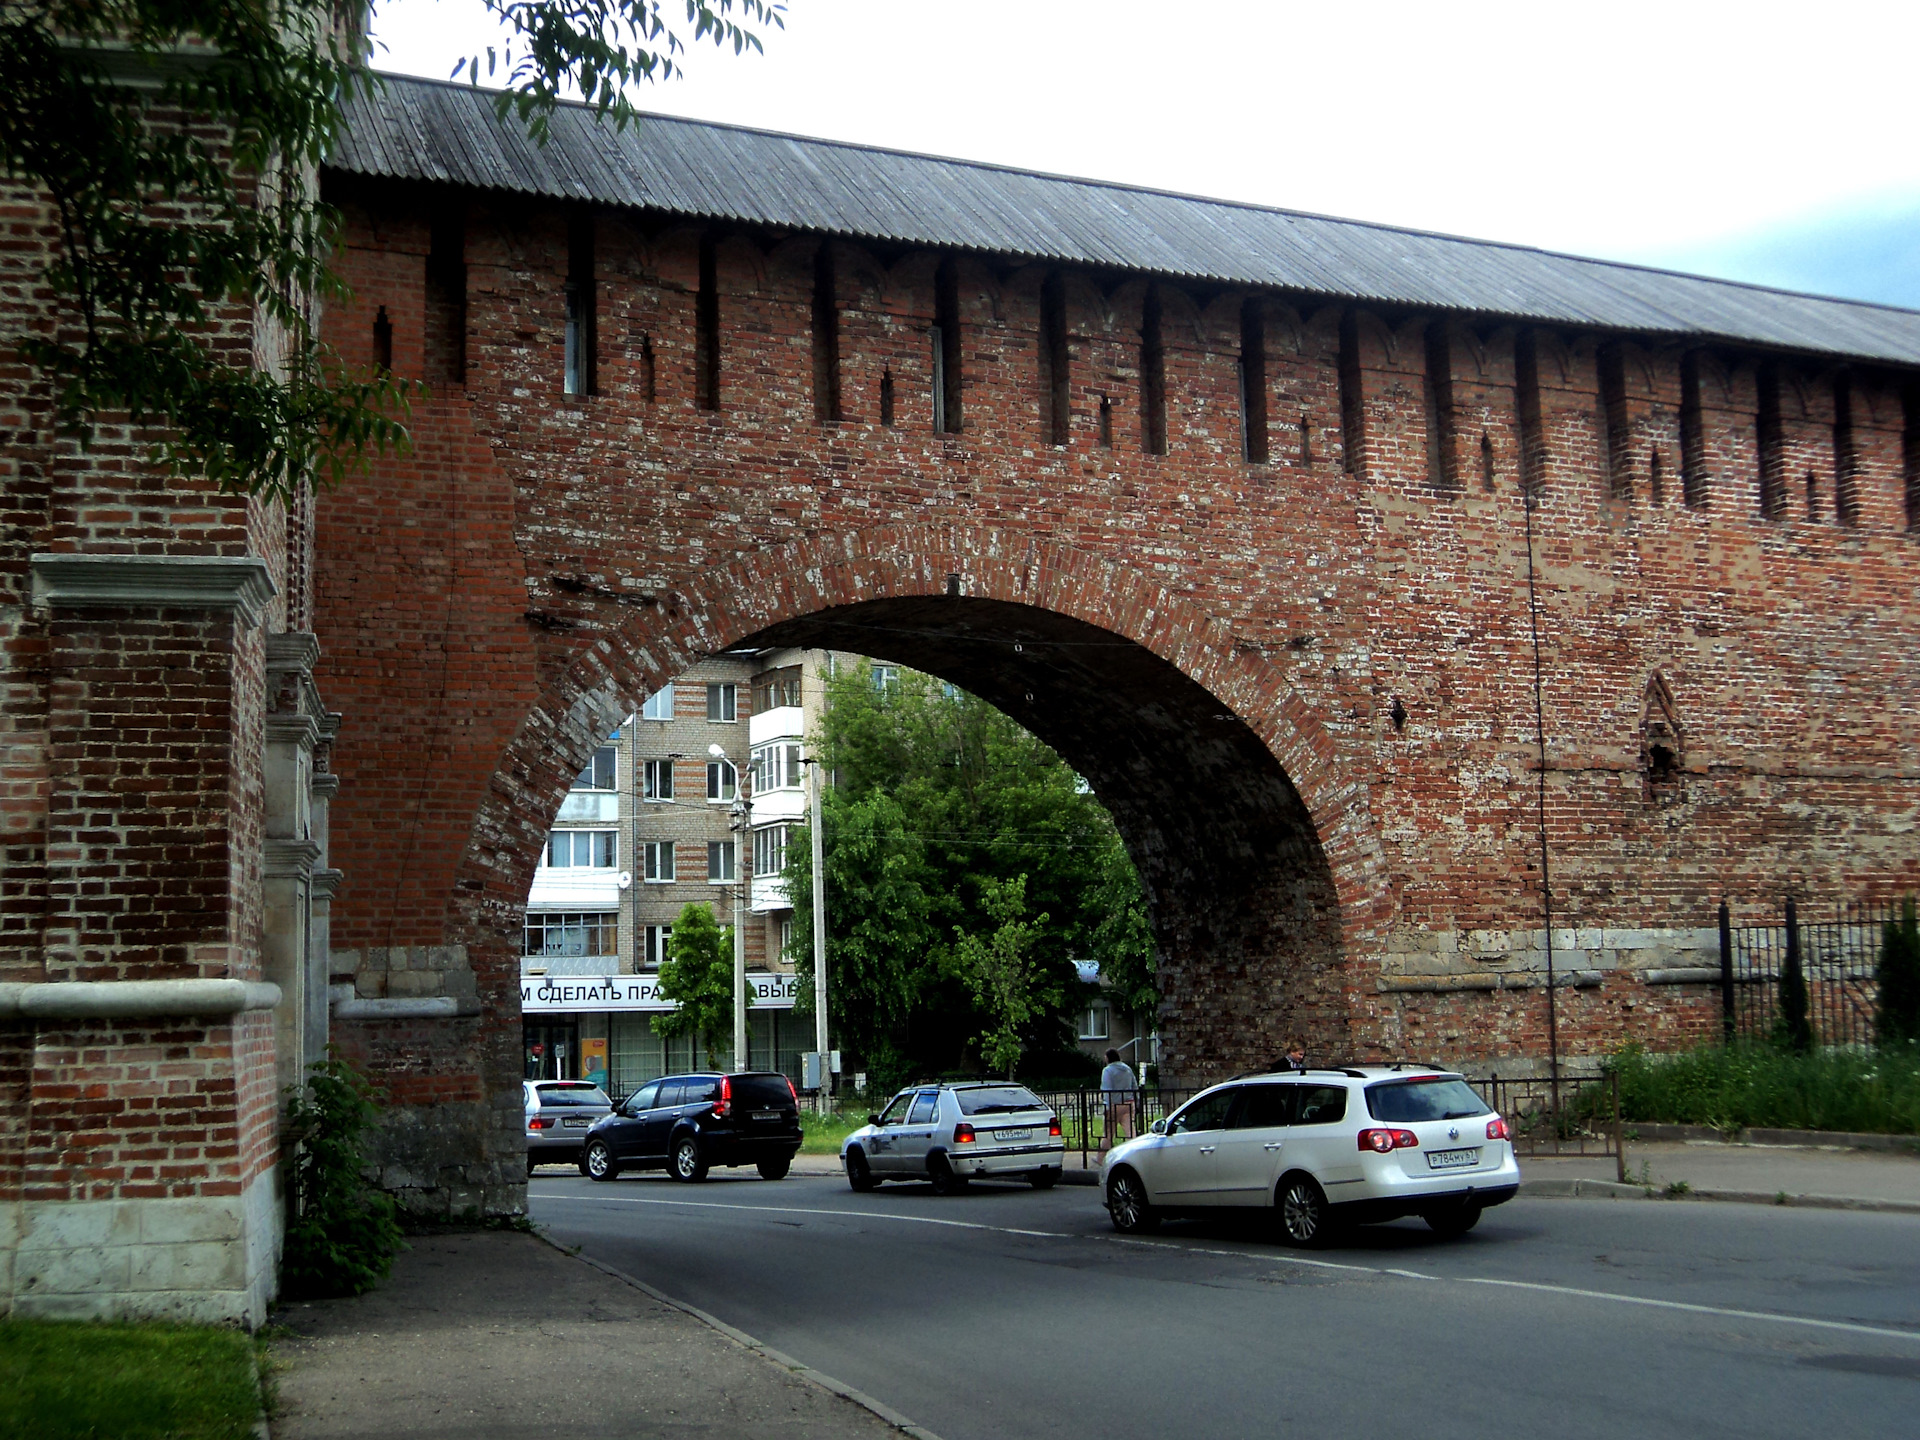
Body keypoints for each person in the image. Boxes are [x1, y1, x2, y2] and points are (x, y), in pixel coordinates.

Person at [1100, 1048, 1137, 1153]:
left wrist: (1107, 1107)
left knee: (1108, 1133)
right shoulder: (1127, 1069)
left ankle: (1101, 1157)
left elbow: (1107, 1090)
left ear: (1108, 1058)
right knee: (1130, 1131)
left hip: (1114, 1105)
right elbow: (1135, 1086)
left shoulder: (1107, 1070)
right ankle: (1134, 1153)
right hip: (1129, 1103)